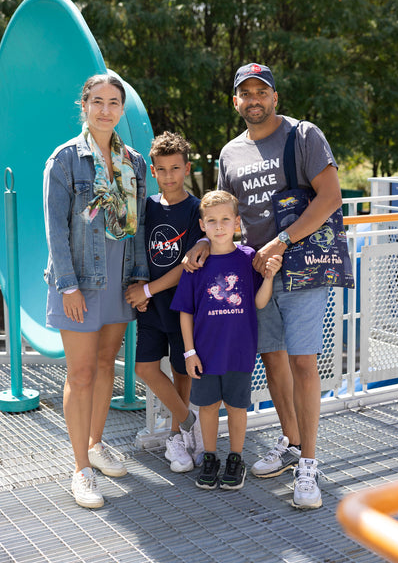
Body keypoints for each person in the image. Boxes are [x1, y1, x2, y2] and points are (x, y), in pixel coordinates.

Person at [183, 62, 343, 508]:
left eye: (262, 91)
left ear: (275, 97)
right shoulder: (229, 153)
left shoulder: (303, 135)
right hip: (255, 276)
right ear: (235, 101)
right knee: (273, 363)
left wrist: (280, 240)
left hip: (303, 268)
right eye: (245, 93)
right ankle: (291, 442)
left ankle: (309, 465)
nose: (254, 99)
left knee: (304, 365)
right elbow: (223, 215)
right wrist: (200, 242)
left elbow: (331, 197)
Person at [43, 74, 149, 509]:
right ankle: (80, 469)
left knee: (106, 363)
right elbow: (55, 228)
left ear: (122, 109)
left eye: (114, 102)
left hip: (119, 280)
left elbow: (138, 227)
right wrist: (67, 285)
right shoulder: (65, 160)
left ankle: (95, 444)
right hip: (80, 284)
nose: (106, 110)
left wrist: (139, 278)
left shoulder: (135, 163)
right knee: (81, 374)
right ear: (84, 105)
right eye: (98, 101)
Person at [171, 190, 282, 491]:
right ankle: (210, 456)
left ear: (236, 223)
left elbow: (259, 303)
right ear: (202, 225)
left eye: (225, 220)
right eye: (212, 221)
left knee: (236, 406)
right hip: (204, 353)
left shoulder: (248, 259)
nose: (218, 227)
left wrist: (269, 277)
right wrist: (190, 352)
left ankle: (235, 458)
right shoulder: (196, 264)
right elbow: (185, 312)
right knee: (207, 407)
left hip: (239, 351)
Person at [124, 131, 204, 473]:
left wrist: (148, 290)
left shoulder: (196, 209)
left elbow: (187, 266)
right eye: (162, 169)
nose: (169, 175)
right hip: (151, 306)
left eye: (176, 168)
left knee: (181, 370)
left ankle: (177, 438)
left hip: (182, 305)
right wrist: (140, 286)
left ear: (186, 169)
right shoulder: (146, 207)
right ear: (152, 172)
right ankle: (188, 422)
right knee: (144, 368)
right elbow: (139, 250)